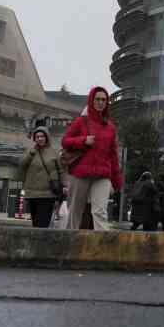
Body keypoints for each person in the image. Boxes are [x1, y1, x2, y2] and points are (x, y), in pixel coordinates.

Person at [62, 86, 123, 231]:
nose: (100, 102)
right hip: (81, 173)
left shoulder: (110, 127)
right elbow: (65, 141)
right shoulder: (81, 122)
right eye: (97, 99)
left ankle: (103, 243)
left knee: (100, 212)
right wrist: (83, 140)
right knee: (75, 211)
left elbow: (113, 155)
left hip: (102, 175)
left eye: (104, 100)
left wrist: (116, 181)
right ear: (91, 100)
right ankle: (70, 240)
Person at [19, 127, 63, 228]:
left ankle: (42, 238)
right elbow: (22, 165)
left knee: (43, 223)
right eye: (37, 137)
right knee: (35, 222)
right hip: (32, 193)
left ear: (47, 137)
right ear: (34, 139)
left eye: (42, 136)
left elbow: (61, 170)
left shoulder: (53, 152)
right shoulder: (30, 151)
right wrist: (31, 154)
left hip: (48, 193)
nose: (40, 139)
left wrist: (64, 185)